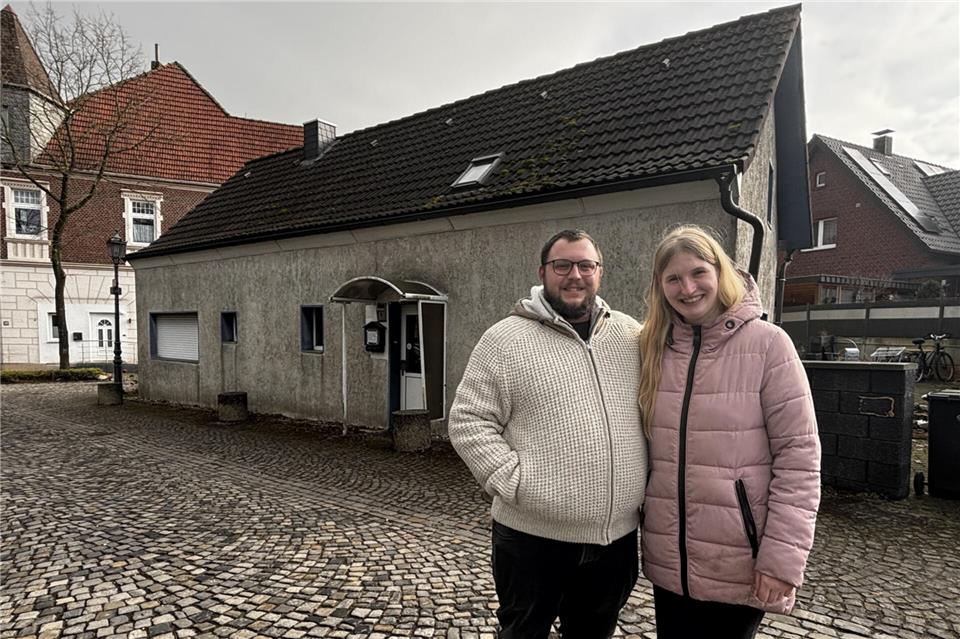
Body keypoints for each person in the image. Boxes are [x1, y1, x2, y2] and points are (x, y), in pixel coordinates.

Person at [448, 229, 647, 639]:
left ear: (600, 273)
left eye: (585, 265)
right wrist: (516, 483)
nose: (575, 275)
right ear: (543, 272)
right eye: (563, 265)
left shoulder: (631, 336)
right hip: (532, 539)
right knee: (524, 633)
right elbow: (468, 421)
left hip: (617, 540)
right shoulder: (504, 340)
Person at [638, 225, 821, 639]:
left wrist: (780, 561)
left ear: (720, 272)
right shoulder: (654, 348)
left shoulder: (770, 345)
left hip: (741, 561)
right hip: (671, 563)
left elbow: (800, 462)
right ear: (660, 286)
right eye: (673, 278)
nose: (687, 288)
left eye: (698, 272)